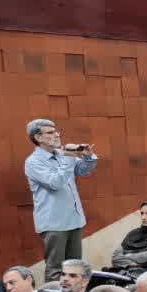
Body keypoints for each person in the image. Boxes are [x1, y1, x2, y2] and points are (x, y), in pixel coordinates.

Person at [24, 119, 98, 281]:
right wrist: (70, 156)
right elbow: (55, 183)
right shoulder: (33, 162)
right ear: (38, 137)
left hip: (74, 220)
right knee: (56, 269)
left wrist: (88, 157)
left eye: (56, 131)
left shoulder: (61, 154)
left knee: (75, 267)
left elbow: (83, 170)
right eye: (50, 132)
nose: (57, 135)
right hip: (54, 223)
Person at [105, 200, 147, 278]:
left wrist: (125, 257)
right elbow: (115, 256)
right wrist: (133, 265)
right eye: (142, 213)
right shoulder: (134, 233)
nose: (143, 217)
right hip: (124, 272)